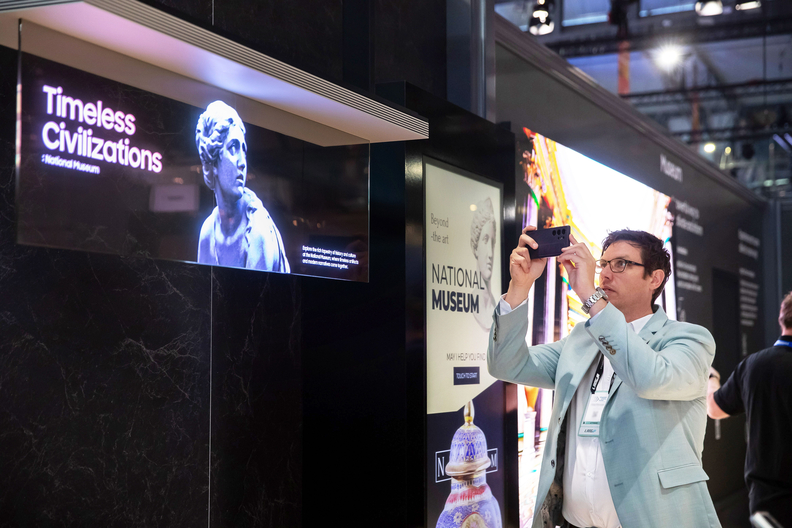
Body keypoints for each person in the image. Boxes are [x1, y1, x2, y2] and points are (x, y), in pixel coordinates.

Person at [488, 227, 720, 528]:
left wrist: (590, 297)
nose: (605, 274)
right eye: (603, 264)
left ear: (655, 278)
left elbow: (649, 378)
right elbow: (507, 365)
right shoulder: (581, 340)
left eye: (621, 264)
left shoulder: (689, 339)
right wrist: (519, 288)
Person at [707, 291, 792, 524]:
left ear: (781, 318)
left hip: (766, 505)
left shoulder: (754, 365)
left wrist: (711, 380)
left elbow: (714, 408)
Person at [195, 101, 289, 272]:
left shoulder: (257, 230)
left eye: (243, 150)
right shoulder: (207, 233)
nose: (243, 163)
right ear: (213, 162)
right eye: (233, 148)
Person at [471, 197, 497, 331]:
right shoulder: (471, 303)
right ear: (475, 247)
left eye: (492, 243)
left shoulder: (496, 309)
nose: (490, 254)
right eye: (485, 240)